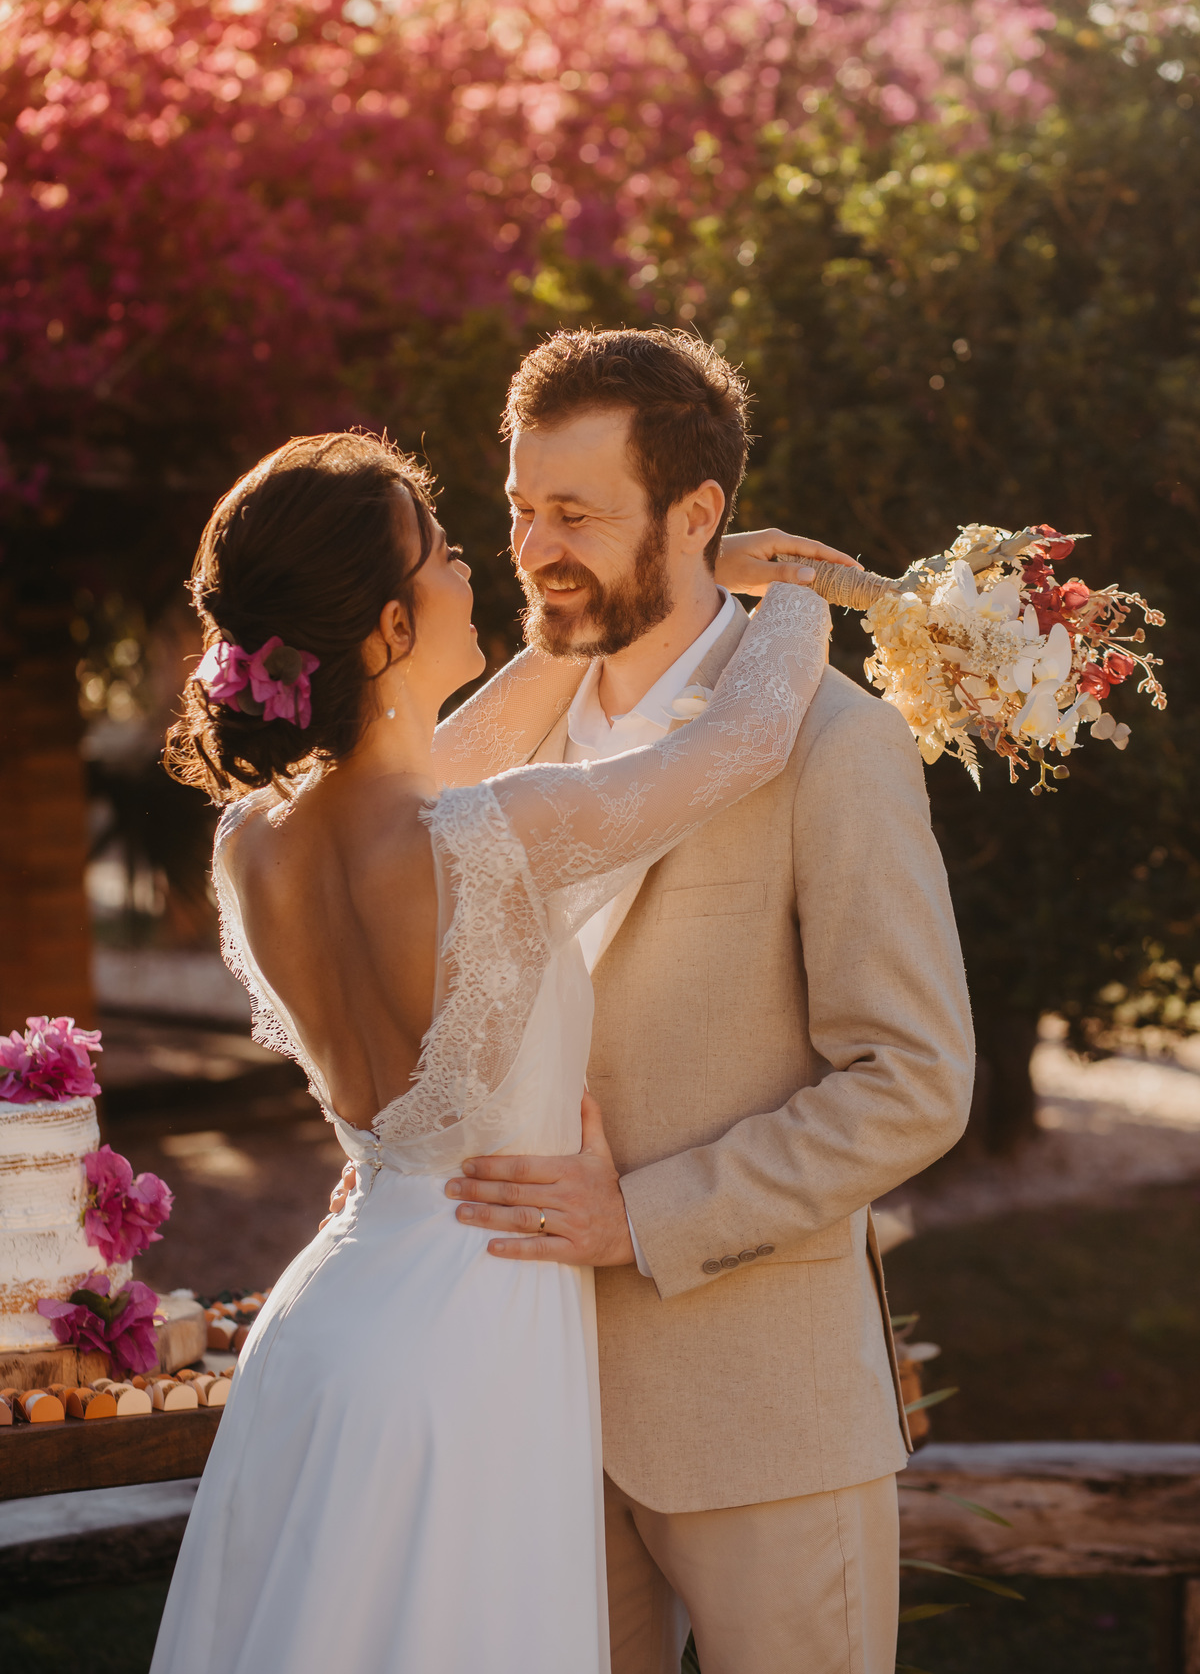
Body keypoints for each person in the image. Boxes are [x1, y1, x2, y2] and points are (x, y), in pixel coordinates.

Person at [332, 328, 976, 1673]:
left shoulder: (833, 744)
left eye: (575, 514)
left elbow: (915, 1078)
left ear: (698, 516)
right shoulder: (500, 747)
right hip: (520, 1403)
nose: (531, 544)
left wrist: (646, 1216)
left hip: (760, 1412)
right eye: (516, 507)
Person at [150, 426, 833, 1674]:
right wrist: (787, 598)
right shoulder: (493, 835)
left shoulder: (256, 841)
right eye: (450, 552)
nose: (482, 570)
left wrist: (654, 587)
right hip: (472, 1350)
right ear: (387, 627)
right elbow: (743, 746)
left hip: (332, 1335)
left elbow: (424, 759)